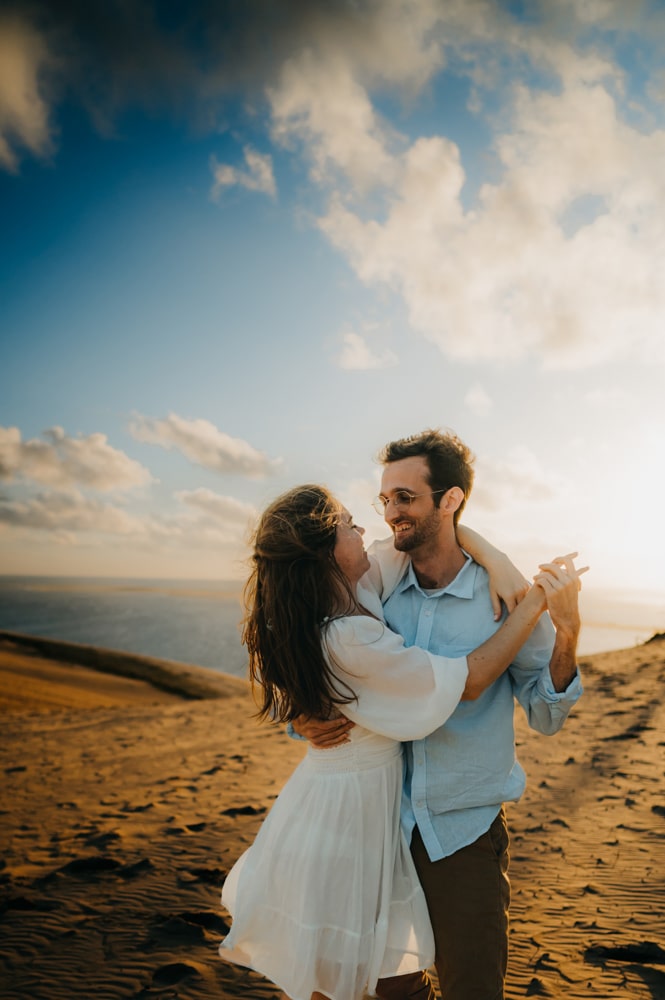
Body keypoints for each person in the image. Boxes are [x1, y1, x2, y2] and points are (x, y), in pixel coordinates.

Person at [218, 483, 585, 1000]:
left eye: (403, 498)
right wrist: (539, 601)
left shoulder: (364, 584)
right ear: (324, 553)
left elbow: (433, 533)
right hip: (350, 819)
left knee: (401, 978)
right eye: (352, 523)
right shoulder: (348, 628)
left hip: (418, 820)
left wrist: (498, 560)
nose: (375, 524)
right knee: (352, 980)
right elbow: (469, 679)